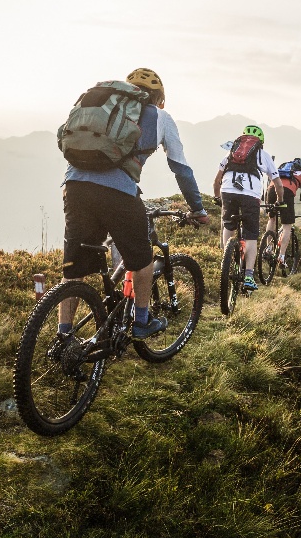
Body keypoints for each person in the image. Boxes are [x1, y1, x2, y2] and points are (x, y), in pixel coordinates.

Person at [59, 68, 209, 339]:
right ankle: (141, 322)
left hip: (74, 186)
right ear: (159, 98)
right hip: (117, 192)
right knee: (142, 260)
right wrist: (197, 209)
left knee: (74, 270)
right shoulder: (160, 117)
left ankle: (64, 337)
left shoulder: (105, 106)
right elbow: (181, 169)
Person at [213, 124, 278, 292]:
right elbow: (277, 182)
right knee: (250, 235)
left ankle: (226, 259)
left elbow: (217, 179)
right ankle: (249, 275)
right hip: (250, 195)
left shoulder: (231, 152)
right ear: (260, 142)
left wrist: (217, 197)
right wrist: (280, 200)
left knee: (228, 225)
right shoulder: (263, 155)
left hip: (227, 190)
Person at [264, 156, 301, 269]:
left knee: (272, 219)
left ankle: (268, 248)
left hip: (271, 189)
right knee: (287, 226)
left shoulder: (281, 169)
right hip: (286, 193)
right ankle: (281, 257)